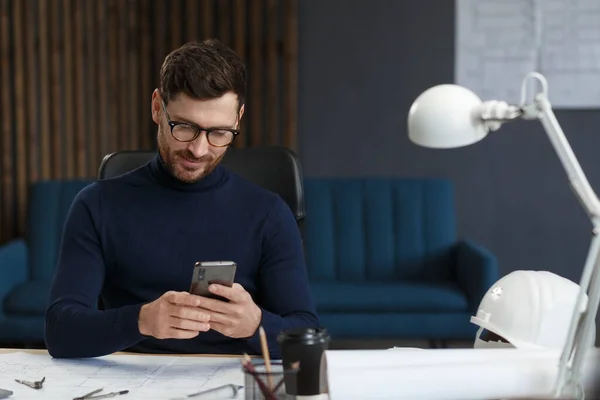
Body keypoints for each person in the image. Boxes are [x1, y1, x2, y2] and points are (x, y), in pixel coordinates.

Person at [44, 39, 319, 359]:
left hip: (231, 378)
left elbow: (306, 334)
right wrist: (141, 321)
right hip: (132, 380)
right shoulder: (97, 205)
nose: (199, 150)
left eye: (219, 133)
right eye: (185, 128)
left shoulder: (269, 213)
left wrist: (254, 325)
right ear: (157, 107)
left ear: (238, 118)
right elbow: (60, 331)